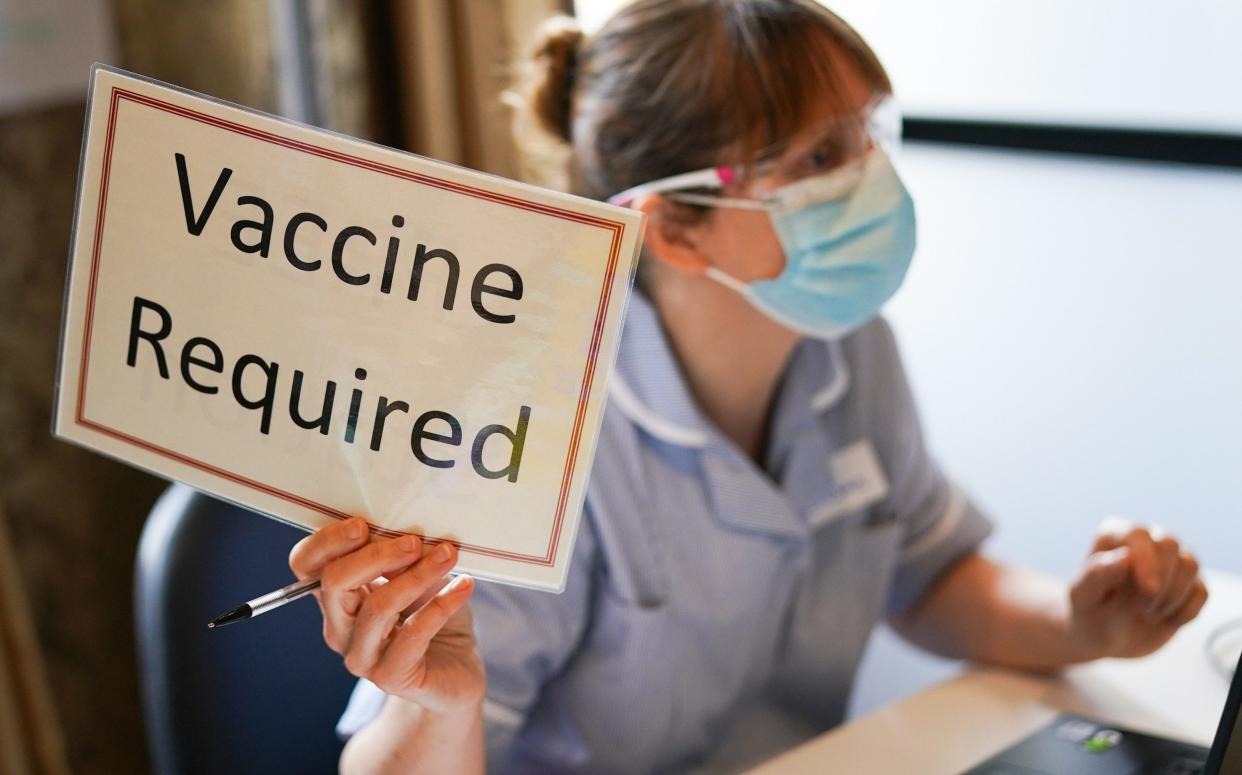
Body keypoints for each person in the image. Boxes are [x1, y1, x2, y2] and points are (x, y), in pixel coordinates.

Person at [287, 1, 1209, 772]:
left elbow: (928, 576)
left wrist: (1084, 619)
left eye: (869, 134)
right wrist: (435, 710)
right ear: (674, 231)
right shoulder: (525, 436)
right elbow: (403, 738)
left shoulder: (847, 352)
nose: (873, 177)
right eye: (818, 159)